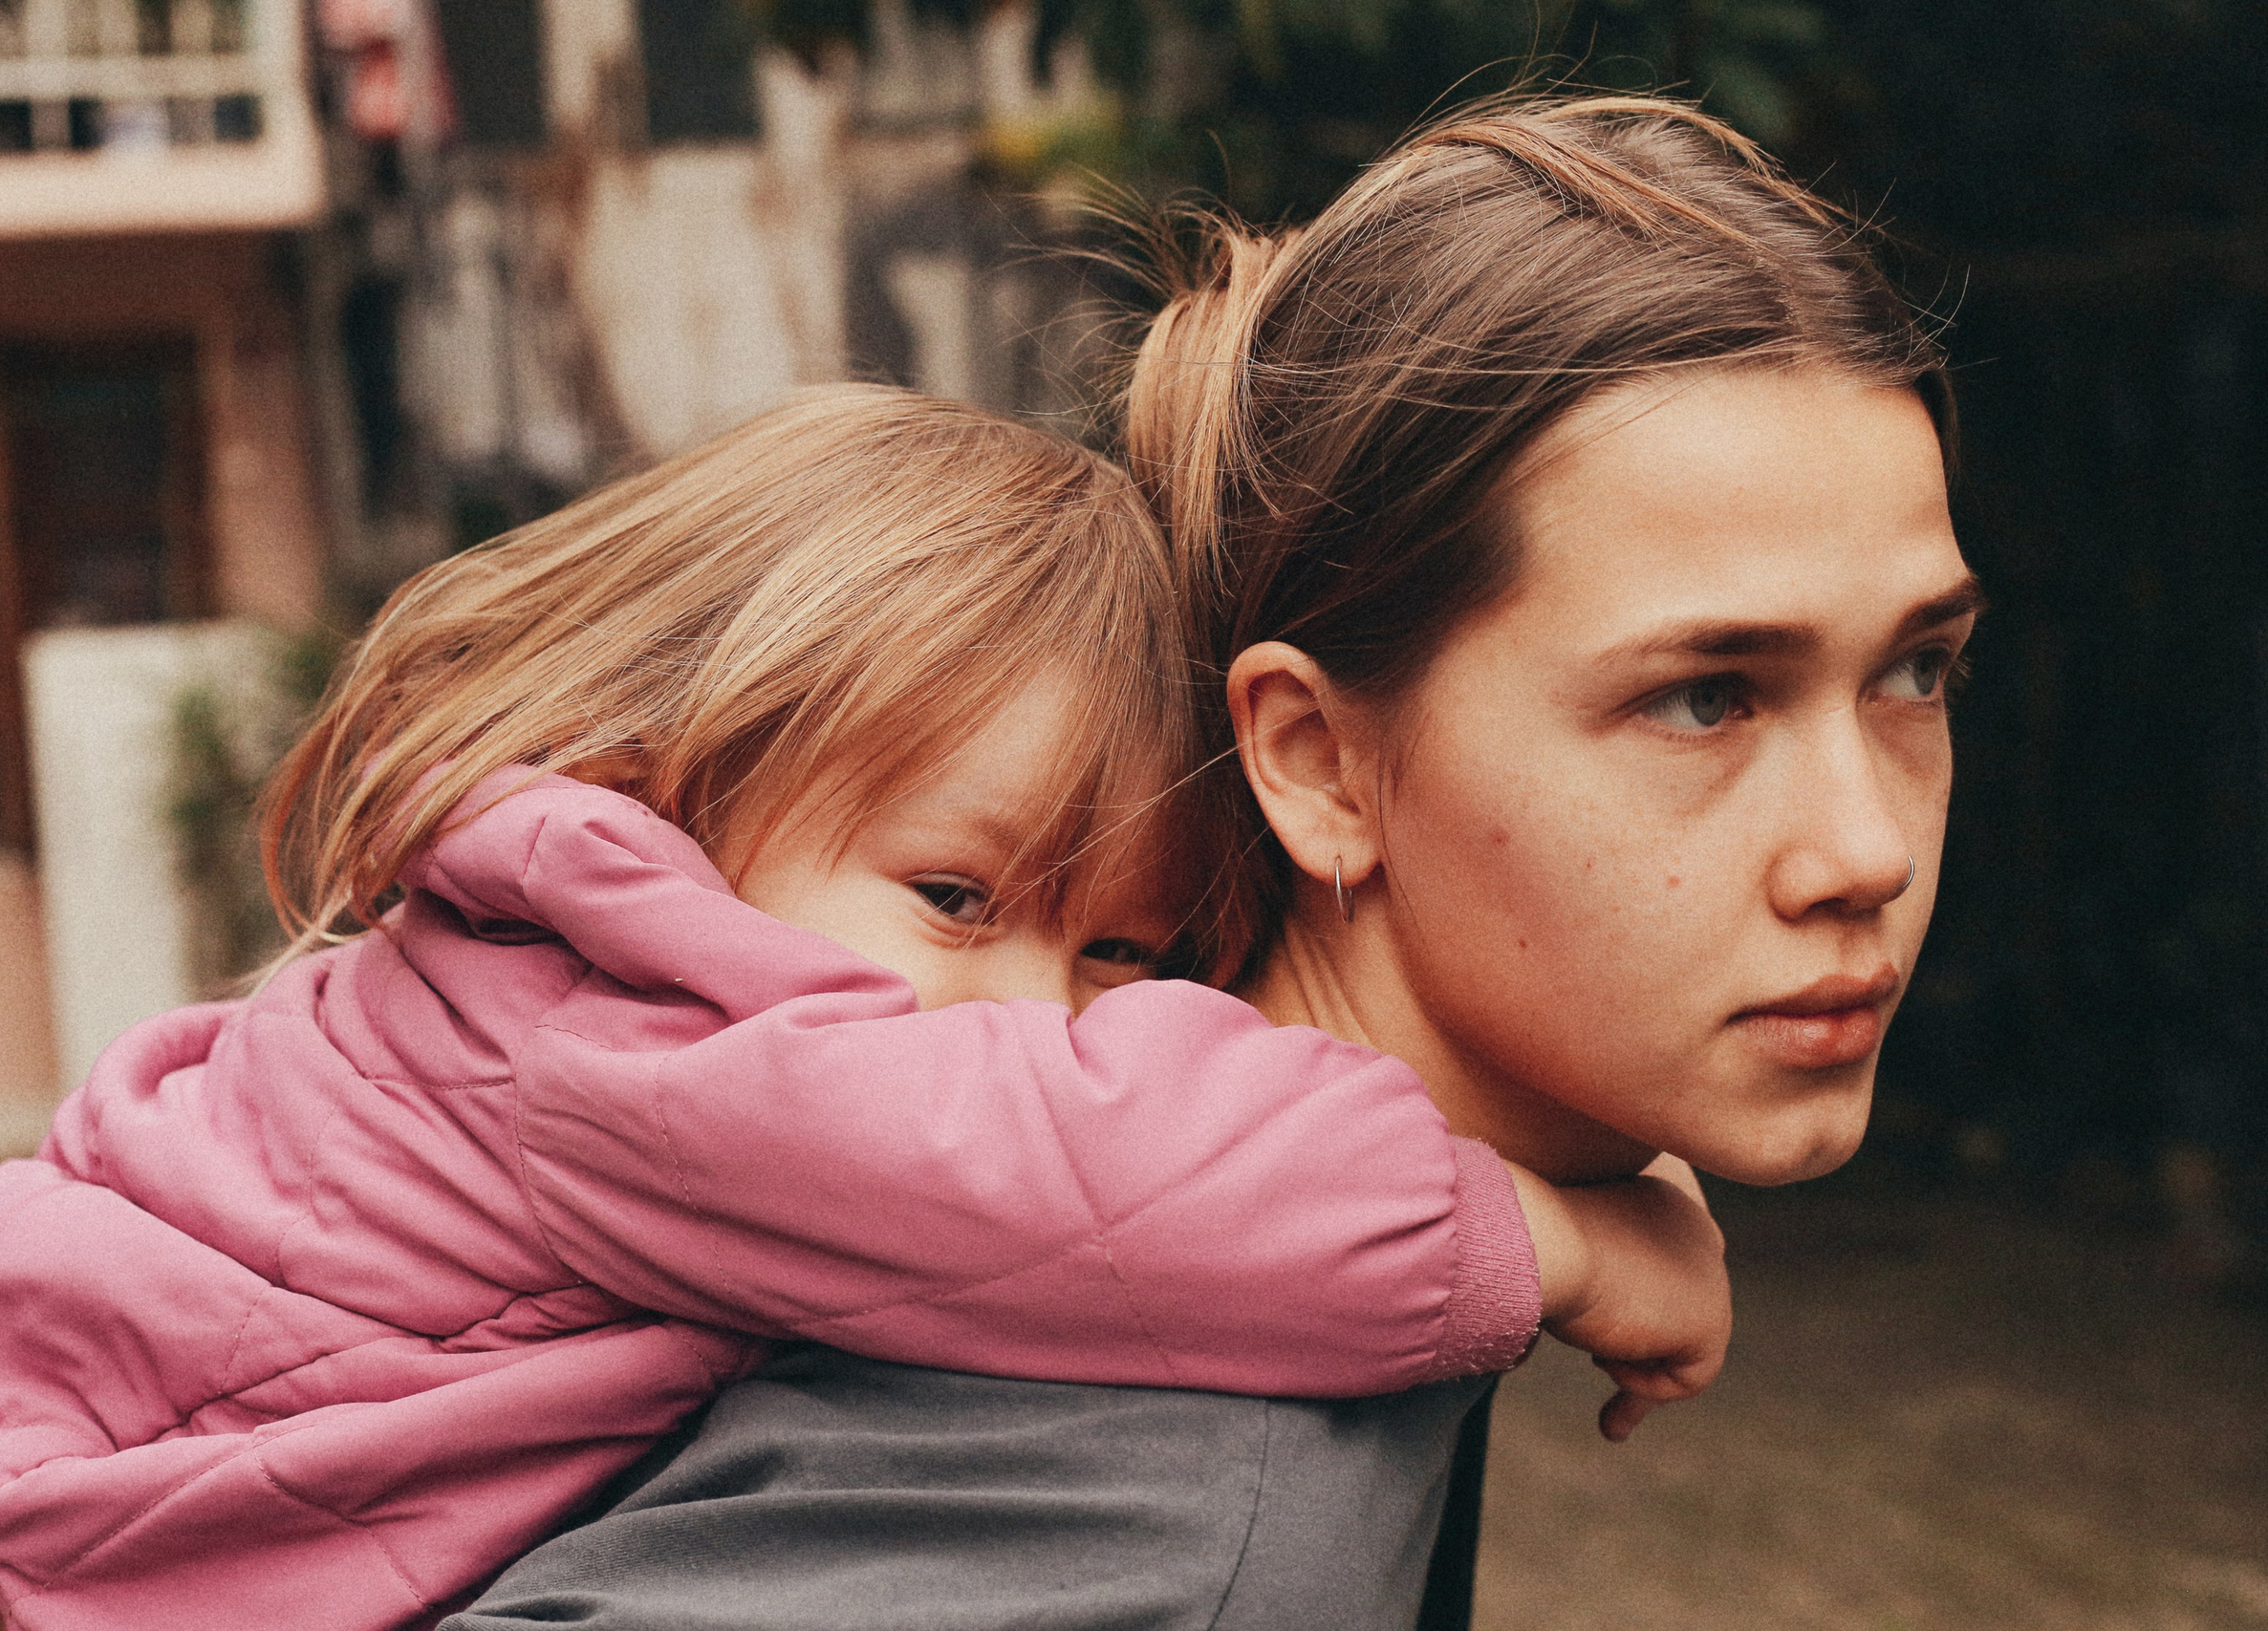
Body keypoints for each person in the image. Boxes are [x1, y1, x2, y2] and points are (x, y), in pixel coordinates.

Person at [0, 386, 1722, 1631]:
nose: (1025, 1007)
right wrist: (1546, 1232)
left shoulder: (593, 979)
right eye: (953, 892)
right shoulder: (637, 1038)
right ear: (681, 788)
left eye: (1117, 955)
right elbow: (1079, 1182)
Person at [450, 91, 1975, 1631]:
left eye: (1917, 673)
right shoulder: (1181, 1516)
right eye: (1703, 697)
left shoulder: (1293, 1319)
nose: (1864, 851)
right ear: (1316, 763)